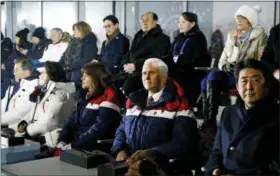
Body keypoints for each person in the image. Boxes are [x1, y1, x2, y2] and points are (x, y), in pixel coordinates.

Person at [112, 58, 199, 175]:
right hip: (129, 165)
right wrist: (119, 150)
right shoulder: (133, 100)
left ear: (164, 76)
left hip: (161, 168)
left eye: (152, 73)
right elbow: (121, 130)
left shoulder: (180, 104)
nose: (146, 77)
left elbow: (182, 142)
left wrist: (151, 154)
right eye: (144, 73)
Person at [206, 59, 279, 176]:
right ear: (237, 87)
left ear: (266, 86)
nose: (249, 87)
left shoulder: (275, 115)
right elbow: (217, 151)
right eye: (244, 81)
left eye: (256, 80)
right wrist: (214, 169)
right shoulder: (228, 112)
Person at [200, 5, 267, 127]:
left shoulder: (260, 36)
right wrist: (225, 66)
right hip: (230, 74)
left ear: (250, 20)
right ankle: (209, 121)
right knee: (210, 77)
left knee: (206, 81)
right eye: (238, 18)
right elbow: (222, 60)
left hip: (246, 74)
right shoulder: (232, 36)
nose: (239, 21)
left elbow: (261, 60)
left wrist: (243, 65)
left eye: (242, 18)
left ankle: (209, 124)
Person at [56, 62, 121, 151]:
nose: (81, 78)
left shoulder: (109, 96)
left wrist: (74, 146)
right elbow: (70, 121)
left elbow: (98, 129)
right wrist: (62, 140)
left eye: (86, 76)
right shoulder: (84, 96)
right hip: (76, 146)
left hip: (93, 151)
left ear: (95, 77)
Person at [15, 61, 76, 148]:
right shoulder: (48, 90)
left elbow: (48, 122)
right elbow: (38, 111)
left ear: (52, 75)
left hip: (51, 140)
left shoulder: (61, 93)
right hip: (41, 134)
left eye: (43, 73)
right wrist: (24, 122)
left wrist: (28, 130)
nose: (39, 76)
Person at [120, 12, 171, 96]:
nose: (144, 23)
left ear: (155, 22)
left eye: (147, 20)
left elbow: (157, 59)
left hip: (146, 74)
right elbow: (130, 53)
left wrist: (136, 66)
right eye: (142, 20)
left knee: (129, 91)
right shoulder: (138, 36)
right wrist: (125, 65)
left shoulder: (162, 39)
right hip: (131, 73)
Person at [167, 12, 211, 105]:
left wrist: (181, 64)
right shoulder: (178, 38)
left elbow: (198, 60)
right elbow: (170, 55)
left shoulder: (198, 38)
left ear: (192, 24)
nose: (180, 24)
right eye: (179, 22)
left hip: (191, 74)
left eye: (183, 22)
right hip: (176, 70)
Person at [2, 58, 39, 127]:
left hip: (14, 126)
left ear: (27, 72)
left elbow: (19, 113)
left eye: (16, 70)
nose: (13, 73)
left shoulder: (33, 88)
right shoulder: (18, 82)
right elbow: (4, 102)